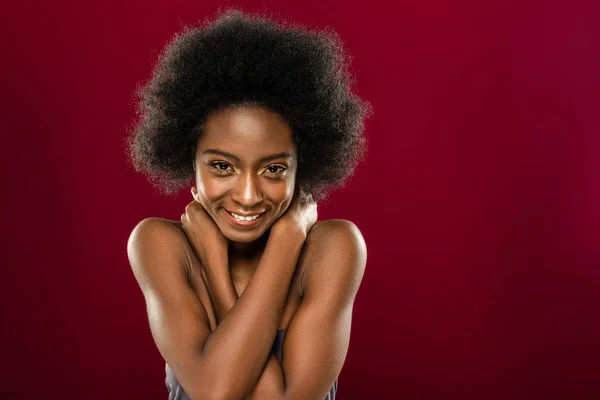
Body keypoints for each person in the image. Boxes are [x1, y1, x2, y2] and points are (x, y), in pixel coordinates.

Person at [125, 7, 371, 400]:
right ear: (189, 157)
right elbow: (216, 392)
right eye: (222, 166)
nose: (248, 195)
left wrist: (284, 239)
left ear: (301, 165)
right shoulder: (158, 243)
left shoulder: (334, 247)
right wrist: (275, 241)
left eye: (273, 169)